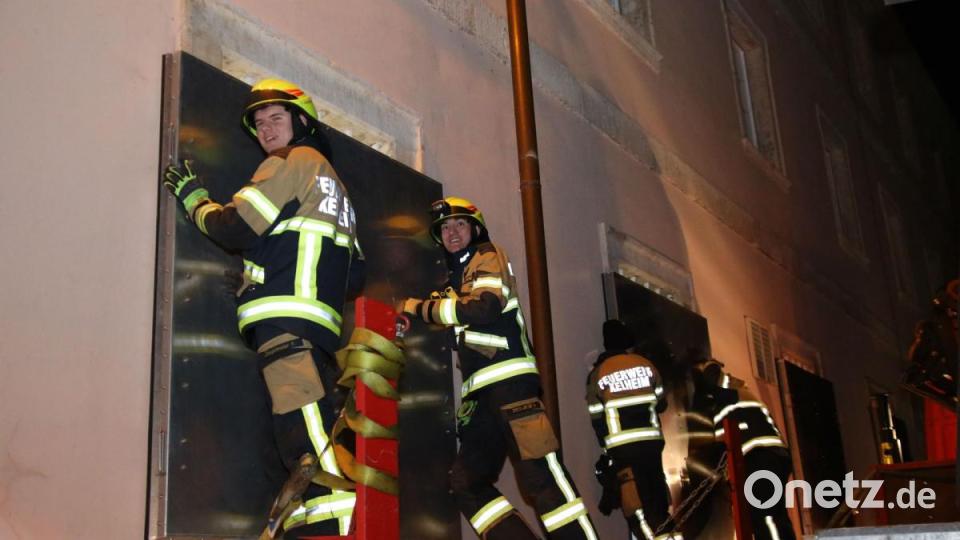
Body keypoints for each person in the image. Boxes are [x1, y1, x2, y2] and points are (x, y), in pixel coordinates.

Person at [163, 79, 364, 539]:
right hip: (316, 329)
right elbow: (356, 277)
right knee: (307, 438)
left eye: (276, 118)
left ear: (302, 123)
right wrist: (263, 271)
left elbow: (235, 226)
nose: (265, 130)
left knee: (309, 447)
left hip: (285, 327)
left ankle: (337, 526)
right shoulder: (338, 190)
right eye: (258, 123)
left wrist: (194, 199)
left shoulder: (290, 162)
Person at [399, 197, 598, 540]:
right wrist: (408, 317)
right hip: (478, 399)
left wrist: (423, 308)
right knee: (465, 484)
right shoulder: (450, 284)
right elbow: (443, 316)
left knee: (540, 477)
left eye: (460, 224)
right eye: (445, 228)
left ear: (475, 228)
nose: (452, 232)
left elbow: (484, 308)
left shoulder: (488, 256)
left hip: (511, 386)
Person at [586, 320, 679, 540]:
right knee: (658, 503)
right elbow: (662, 403)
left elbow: (596, 415)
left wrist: (604, 443)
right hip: (652, 447)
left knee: (636, 508)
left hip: (622, 450)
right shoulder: (646, 365)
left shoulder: (598, 373)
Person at [696, 360, 795, 540]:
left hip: (759, 459)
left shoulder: (729, 395)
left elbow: (723, 444)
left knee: (764, 515)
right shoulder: (741, 393)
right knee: (775, 514)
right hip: (773, 458)